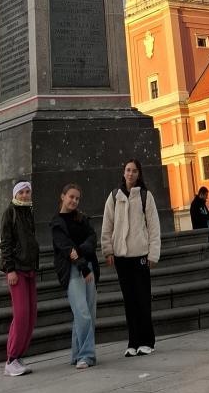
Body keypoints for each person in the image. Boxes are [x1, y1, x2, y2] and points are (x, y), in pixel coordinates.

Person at [101, 158, 161, 357]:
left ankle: (147, 341)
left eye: (134, 171)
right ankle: (133, 342)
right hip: (121, 256)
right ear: (123, 172)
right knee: (129, 301)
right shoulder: (114, 196)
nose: (130, 173)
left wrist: (153, 253)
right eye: (128, 170)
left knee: (143, 298)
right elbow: (107, 225)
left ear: (139, 174)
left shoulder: (145, 196)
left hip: (140, 254)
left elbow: (154, 226)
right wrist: (108, 250)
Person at [50, 183, 100, 370]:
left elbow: (92, 238)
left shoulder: (82, 218)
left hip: (89, 267)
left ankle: (77, 353)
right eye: (71, 196)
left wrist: (80, 251)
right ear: (62, 196)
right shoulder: (56, 223)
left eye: (77, 198)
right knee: (82, 313)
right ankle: (87, 356)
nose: (74, 201)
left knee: (89, 314)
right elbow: (66, 247)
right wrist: (82, 265)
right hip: (73, 271)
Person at [0, 180, 39, 377]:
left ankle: (18, 356)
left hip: (29, 268)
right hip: (17, 270)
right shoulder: (10, 212)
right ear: (15, 194)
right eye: (21, 192)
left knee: (31, 315)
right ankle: (11, 358)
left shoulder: (28, 212)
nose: (24, 195)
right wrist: (10, 269)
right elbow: (5, 242)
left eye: (27, 192)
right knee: (21, 314)